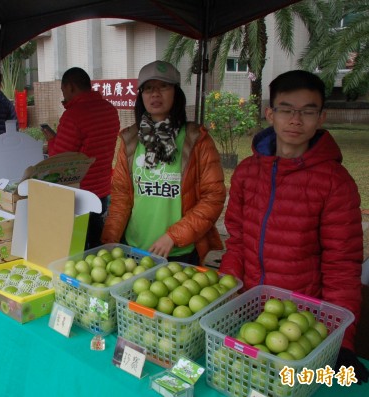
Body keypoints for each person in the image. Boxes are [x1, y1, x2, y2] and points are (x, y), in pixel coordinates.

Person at [220, 70, 368, 383]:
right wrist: (224, 297)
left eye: (307, 111)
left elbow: (342, 266)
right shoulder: (247, 172)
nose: (296, 120)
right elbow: (236, 242)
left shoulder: (335, 183)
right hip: (246, 315)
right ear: (270, 113)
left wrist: (343, 341)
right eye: (286, 109)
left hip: (299, 323)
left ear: (321, 117)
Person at [101, 61, 225, 264]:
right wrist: (109, 240)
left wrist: (173, 236)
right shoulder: (130, 140)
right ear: (141, 95)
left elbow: (214, 197)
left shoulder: (196, 139)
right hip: (134, 250)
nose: (155, 94)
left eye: (163, 87)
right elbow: (121, 197)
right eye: (148, 88)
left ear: (176, 93)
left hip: (180, 252)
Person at [43, 67, 120, 249]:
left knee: (77, 248)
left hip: (80, 194)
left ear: (70, 87)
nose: (64, 96)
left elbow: (60, 159)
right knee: (96, 244)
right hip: (102, 189)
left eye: (63, 91)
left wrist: (52, 140)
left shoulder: (73, 116)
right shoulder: (110, 110)